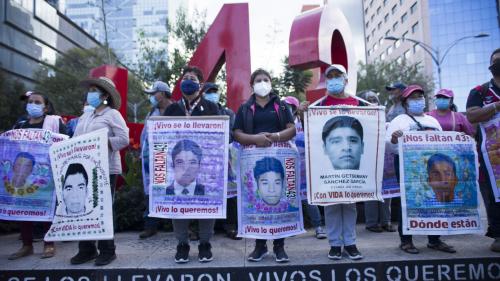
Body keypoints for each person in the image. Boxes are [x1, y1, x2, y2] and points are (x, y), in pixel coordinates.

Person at [298, 64, 363, 260]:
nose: (334, 80)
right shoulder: (319, 105)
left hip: (351, 161)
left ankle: (350, 243)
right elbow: (310, 130)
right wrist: (302, 113)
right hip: (329, 161)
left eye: (338, 76)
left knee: (350, 203)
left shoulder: (359, 103)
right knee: (332, 202)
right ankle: (335, 244)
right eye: (330, 76)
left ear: (346, 80)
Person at [233, 68, 296, 263]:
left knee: (278, 202)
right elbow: (236, 133)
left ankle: (279, 247)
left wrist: (276, 137)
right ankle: (259, 247)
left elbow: (292, 129)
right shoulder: (245, 108)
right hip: (253, 161)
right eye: (258, 80)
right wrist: (255, 139)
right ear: (252, 85)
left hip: (278, 158)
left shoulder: (282, 106)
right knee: (258, 202)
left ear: (271, 83)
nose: (262, 83)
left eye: (265, 79)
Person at [386, 84, 456, 254]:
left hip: (433, 168)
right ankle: (406, 241)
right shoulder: (399, 121)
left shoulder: (432, 121)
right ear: (405, 103)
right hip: (407, 167)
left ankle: (434, 239)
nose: (418, 100)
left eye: (420, 96)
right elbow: (389, 146)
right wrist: (394, 140)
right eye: (413, 97)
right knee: (408, 201)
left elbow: (442, 146)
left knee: (434, 201)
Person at [70, 76, 129, 266]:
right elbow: (75, 138)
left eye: (95, 90)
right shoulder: (85, 115)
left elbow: (123, 139)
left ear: (105, 95)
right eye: (91, 90)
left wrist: (104, 142)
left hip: (106, 169)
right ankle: (86, 249)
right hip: (84, 168)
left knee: (103, 209)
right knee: (85, 207)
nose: (91, 93)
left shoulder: (112, 114)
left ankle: (107, 250)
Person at [163, 66, 220, 263]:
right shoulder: (172, 108)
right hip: (178, 166)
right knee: (178, 203)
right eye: (185, 77)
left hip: (204, 165)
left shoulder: (212, 108)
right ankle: (182, 244)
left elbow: (221, 136)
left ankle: (205, 243)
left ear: (200, 84)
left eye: (192, 78)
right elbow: (163, 137)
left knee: (206, 201)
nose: (187, 80)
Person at [9, 91, 68, 260]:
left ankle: (49, 244)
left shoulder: (54, 123)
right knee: (23, 207)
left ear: (46, 107)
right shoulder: (20, 125)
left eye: (37, 101)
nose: (32, 104)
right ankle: (26, 245)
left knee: (46, 209)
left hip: (46, 174)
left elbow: (65, 141)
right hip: (23, 174)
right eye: (30, 101)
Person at [465, 48, 500, 252]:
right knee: (494, 194)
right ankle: (497, 234)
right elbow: (472, 116)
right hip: (492, 157)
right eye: (496, 61)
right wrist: (496, 107)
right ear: (490, 66)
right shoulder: (480, 91)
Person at [282, 96, 326, 239]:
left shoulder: (305, 123)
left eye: (290, 106)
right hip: (289, 166)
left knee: (308, 198)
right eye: (285, 106)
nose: (288, 109)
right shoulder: (283, 124)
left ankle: (318, 226)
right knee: (291, 197)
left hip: (306, 168)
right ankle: (292, 226)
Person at [201, 82, 240, 240]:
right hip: (204, 160)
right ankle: (205, 229)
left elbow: (234, 133)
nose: (213, 94)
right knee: (205, 193)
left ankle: (230, 226)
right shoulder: (199, 112)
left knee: (229, 194)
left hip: (224, 158)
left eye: (215, 91)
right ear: (202, 94)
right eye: (209, 91)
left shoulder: (227, 113)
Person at [357, 91, 396, 233]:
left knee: (387, 193)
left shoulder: (386, 122)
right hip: (367, 162)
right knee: (370, 193)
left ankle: (386, 222)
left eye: (375, 99)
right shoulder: (359, 121)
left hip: (386, 164)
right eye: (369, 100)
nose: (373, 102)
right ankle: (372, 223)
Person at [139, 81, 173, 239]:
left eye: (154, 93)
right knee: (151, 191)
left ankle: (183, 226)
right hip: (153, 158)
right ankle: (150, 225)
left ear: (163, 94)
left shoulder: (175, 109)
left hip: (172, 158)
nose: (151, 97)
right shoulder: (152, 112)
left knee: (175, 190)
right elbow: (145, 135)